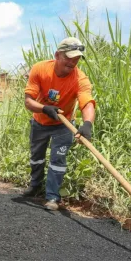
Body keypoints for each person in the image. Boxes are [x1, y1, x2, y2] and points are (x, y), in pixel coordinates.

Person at [23, 37, 96, 211]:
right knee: (36, 158)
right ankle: (35, 186)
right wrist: (45, 109)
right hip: (40, 121)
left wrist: (87, 124)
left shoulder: (80, 79)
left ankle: (52, 197)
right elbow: (28, 101)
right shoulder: (40, 69)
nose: (73, 62)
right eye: (68, 57)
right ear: (57, 55)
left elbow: (87, 102)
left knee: (58, 160)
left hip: (64, 125)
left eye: (77, 58)